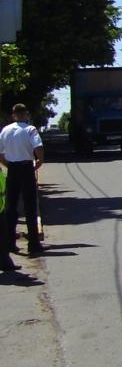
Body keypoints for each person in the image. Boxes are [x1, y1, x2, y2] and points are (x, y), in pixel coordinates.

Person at [0, 103, 45, 261]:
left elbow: (0, 153)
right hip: (26, 168)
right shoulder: (30, 129)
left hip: (12, 169)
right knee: (30, 206)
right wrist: (40, 160)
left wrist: (8, 165)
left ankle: (10, 242)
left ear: (13, 115)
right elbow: (38, 146)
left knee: (10, 207)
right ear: (25, 114)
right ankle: (33, 244)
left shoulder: (5, 130)